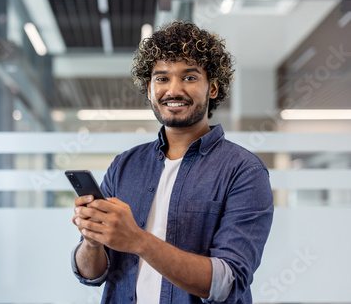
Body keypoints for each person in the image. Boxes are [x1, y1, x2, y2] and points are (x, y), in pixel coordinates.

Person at [71, 21, 274, 303]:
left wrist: (138, 240)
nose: (174, 90)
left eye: (189, 78)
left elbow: (227, 282)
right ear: (150, 88)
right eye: (162, 78)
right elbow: (91, 274)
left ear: (213, 88)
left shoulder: (243, 171)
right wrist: (92, 241)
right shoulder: (125, 165)